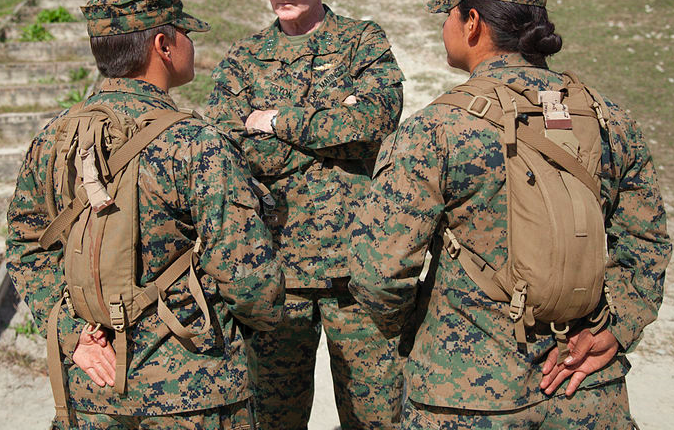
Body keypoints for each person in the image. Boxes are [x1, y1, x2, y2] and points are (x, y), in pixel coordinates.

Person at [349, 0, 671, 428]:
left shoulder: (436, 128)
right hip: (587, 392)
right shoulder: (608, 118)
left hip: (463, 397)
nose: (444, 26)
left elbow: (379, 271)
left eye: (447, 14)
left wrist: (421, 334)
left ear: (473, 22)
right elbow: (646, 243)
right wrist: (616, 327)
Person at [4, 0, 284, 428]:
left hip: (90, 393)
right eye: (185, 32)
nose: (192, 42)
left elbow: (25, 246)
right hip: (194, 397)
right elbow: (250, 283)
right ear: (163, 45)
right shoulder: (197, 143)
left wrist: (72, 337)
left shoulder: (54, 138)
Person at [205, 1, 405, 428]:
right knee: (273, 420)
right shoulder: (244, 57)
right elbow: (228, 150)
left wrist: (275, 121)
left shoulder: (361, 41)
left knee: (378, 419)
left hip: (357, 272)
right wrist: (336, 125)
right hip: (276, 278)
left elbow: (379, 120)